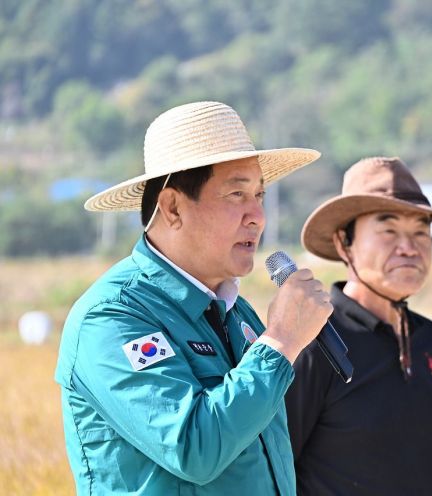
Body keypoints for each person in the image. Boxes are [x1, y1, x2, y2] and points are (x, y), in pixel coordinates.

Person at [55, 101, 333, 495]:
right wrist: (282, 341)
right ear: (171, 207)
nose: (258, 215)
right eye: (237, 194)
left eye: (259, 195)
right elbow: (193, 449)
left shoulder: (238, 313)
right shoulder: (112, 316)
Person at [285, 156, 432, 495]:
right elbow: (273, 471)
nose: (408, 248)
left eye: (420, 232)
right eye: (388, 231)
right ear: (344, 242)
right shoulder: (314, 343)